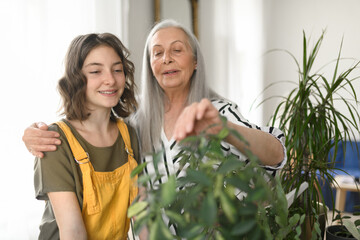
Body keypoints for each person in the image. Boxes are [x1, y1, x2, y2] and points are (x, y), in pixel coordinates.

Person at [23, 19, 286, 233]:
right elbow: (87, 128)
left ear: (195, 62)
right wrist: (33, 134)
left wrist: (225, 128)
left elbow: (276, 156)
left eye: (177, 50)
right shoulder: (135, 123)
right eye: (157, 53)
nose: (167, 59)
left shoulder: (218, 112)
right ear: (150, 66)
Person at [33, 33, 140, 239]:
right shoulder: (55, 140)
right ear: (76, 79)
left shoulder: (128, 134)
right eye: (95, 71)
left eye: (117, 70)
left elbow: (142, 215)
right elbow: (73, 231)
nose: (110, 79)